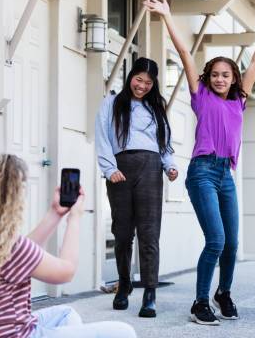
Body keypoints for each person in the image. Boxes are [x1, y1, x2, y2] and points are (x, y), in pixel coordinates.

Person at [144, 0, 255, 325]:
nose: (221, 79)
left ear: (234, 79)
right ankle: (199, 302)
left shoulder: (239, 100)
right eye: (215, 74)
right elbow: (185, 54)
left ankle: (224, 293)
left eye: (226, 75)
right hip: (202, 172)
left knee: (232, 243)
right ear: (208, 78)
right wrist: (167, 16)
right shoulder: (200, 95)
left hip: (225, 175)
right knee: (216, 239)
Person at [0, 154, 136, 338]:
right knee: (123, 332)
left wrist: (55, 214)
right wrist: (74, 218)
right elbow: (66, 272)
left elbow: (22, 256)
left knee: (66, 314)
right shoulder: (12, 247)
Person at [95, 57, 178, 318]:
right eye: (138, 79)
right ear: (131, 76)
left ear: (154, 85)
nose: (142, 86)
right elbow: (102, 136)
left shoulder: (156, 109)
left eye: (148, 82)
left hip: (151, 168)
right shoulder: (112, 103)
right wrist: (110, 168)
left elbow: (164, 141)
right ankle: (124, 284)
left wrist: (169, 165)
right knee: (122, 232)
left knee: (149, 233)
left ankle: (150, 292)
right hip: (120, 169)